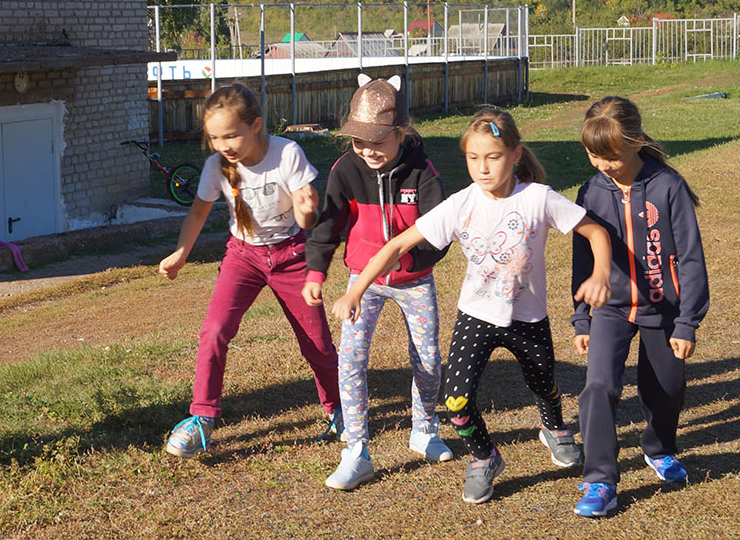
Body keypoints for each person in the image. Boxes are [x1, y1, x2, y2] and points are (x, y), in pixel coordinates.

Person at [332, 108, 613, 504]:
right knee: (456, 401)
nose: (482, 168)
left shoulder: (538, 198)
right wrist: (355, 291)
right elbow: (397, 245)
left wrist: (601, 274)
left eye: (493, 157)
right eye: (473, 158)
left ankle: (554, 429)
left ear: (515, 154)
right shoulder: (460, 203)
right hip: (476, 317)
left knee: (544, 384)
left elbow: (595, 231)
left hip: (529, 317)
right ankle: (485, 458)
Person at [160, 83, 341, 459]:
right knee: (214, 331)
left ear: (255, 125)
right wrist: (180, 254)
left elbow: (307, 221)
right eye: (214, 138)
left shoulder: (287, 153)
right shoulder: (216, 167)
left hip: (291, 255)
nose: (222, 145)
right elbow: (198, 212)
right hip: (243, 256)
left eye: (230, 135)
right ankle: (202, 418)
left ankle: (340, 409)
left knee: (317, 343)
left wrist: (307, 209)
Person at [302, 75, 453, 491]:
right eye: (358, 141)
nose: (367, 150)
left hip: (414, 281)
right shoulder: (346, 170)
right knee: (350, 360)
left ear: (401, 133)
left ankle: (424, 429)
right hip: (362, 282)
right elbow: (329, 224)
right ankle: (356, 451)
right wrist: (316, 271)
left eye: (378, 141)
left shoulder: (423, 172)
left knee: (427, 359)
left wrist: (408, 259)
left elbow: (439, 233)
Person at [571, 96, 709, 518]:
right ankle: (600, 479)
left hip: (664, 311)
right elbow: (582, 261)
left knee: (667, 388)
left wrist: (686, 323)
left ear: (634, 142)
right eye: (594, 155)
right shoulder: (590, 192)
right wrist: (581, 317)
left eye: (610, 156)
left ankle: (659, 448)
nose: (603, 165)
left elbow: (691, 258)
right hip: (610, 309)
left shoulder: (668, 186)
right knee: (598, 387)